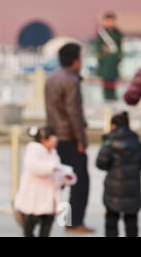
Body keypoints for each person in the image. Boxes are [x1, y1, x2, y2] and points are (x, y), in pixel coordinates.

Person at [45, 43, 94, 233]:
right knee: (80, 181)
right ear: (75, 60)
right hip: (70, 137)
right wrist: (81, 140)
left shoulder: (52, 78)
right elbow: (74, 113)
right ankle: (74, 222)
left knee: (56, 180)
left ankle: (33, 212)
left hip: (54, 135)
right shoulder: (71, 80)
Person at [14, 126, 77, 237]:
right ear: (44, 140)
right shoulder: (33, 150)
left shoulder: (53, 152)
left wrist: (67, 177)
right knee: (31, 222)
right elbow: (34, 167)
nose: (56, 141)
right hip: (35, 195)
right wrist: (53, 167)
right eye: (53, 139)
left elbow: (57, 172)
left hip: (49, 196)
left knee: (48, 222)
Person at [96, 112, 141, 237]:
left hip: (113, 189)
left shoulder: (109, 141)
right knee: (131, 222)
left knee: (111, 221)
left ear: (113, 125)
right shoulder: (136, 141)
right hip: (132, 188)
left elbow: (100, 163)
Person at [95, 12, 123, 101]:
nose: (109, 23)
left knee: (113, 84)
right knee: (106, 84)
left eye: (111, 21)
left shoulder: (117, 33)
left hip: (114, 63)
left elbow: (119, 48)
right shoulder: (101, 34)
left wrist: (117, 57)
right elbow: (98, 49)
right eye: (107, 21)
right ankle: (107, 99)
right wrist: (103, 55)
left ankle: (113, 99)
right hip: (105, 63)